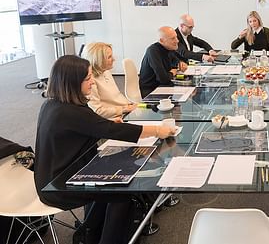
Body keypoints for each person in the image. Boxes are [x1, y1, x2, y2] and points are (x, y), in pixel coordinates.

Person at [34, 55, 178, 244]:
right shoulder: (73, 112)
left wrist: (104, 124)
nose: (92, 82)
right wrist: (158, 130)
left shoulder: (53, 105)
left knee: (117, 180)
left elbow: (83, 130)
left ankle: (91, 231)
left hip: (52, 176)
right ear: (72, 82)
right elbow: (113, 130)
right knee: (123, 192)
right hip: (60, 186)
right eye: (87, 78)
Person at [84, 42, 136, 119]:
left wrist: (130, 106)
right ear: (98, 60)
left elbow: (116, 97)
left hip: (125, 110)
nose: (114, 59)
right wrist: (124, 109)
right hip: (116, 117)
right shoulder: (90, 82)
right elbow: (97, 111)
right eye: (109, 57)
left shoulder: (106, 71)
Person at [139, 26, 188, 98]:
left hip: (164, 87)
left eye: (176, 37)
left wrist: (180, 63)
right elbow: (163, 79)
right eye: (173, 38)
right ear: (161, 41)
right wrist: (172, 72)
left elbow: (176, 60)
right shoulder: (153, 51)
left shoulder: (168, 47)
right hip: (152, 92)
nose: (177, 41)